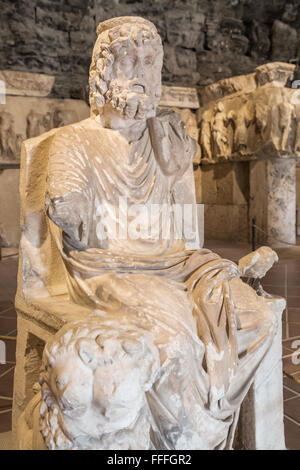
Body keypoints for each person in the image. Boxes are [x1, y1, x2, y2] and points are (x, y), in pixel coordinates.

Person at [44, 16, 277, 450]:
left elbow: (180, 198)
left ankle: (220, 424)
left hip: (175, 260)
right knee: (174, 343)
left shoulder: (164, 133)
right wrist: (70, 206)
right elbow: (69, 203)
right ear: (103, 71)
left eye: (151, 62)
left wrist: (163, 133)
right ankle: (192, 439)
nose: (142, 73)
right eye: (129, 60)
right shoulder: (72, 142)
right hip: (109, 265)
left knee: (256, 318)